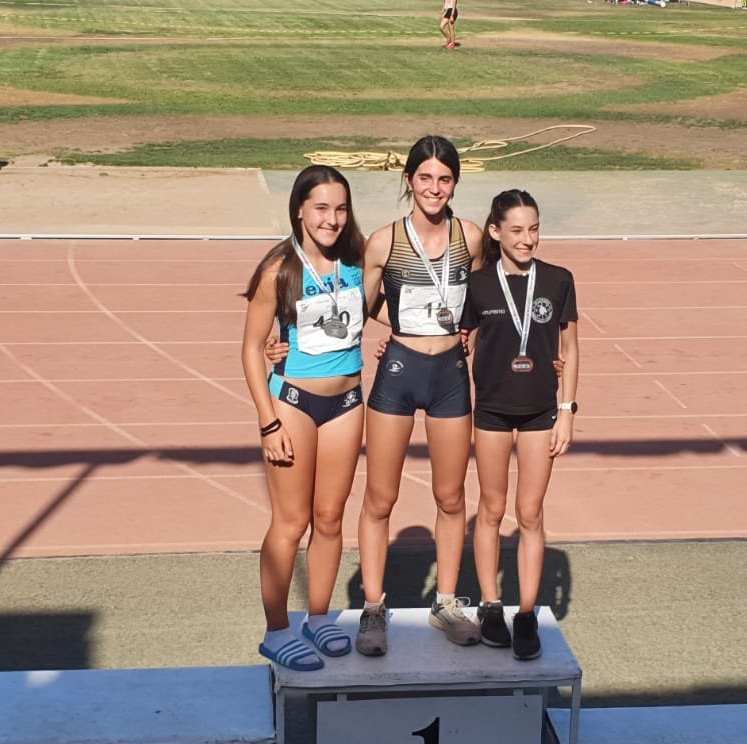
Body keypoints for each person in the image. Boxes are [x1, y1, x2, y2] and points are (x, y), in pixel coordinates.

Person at [359, 135, 486, 653]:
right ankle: (373, 608)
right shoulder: (383, 242)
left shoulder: (471, 236)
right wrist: (402, 323)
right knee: (380, 497)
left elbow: (480, 300)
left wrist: (468, 335)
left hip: (450, 377)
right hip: (399, 370)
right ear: (408, 179)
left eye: (445, 179)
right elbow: (361, 305)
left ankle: (447, 601)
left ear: (455, 183)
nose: (435, 188)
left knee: (452, 496)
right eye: (426, 177)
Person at [240, 165, 369, 671]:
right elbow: (252, 349)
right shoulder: (279, 269)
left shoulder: (358, 261)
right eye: (321, 208)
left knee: (331, 518)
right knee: (291, 523)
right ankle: (276, 629)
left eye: (340, 209)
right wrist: (268, 421)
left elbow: (385, 310)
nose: (331, 219)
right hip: (292, 403)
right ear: (298, 209)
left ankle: (318, 617)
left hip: (346, 403)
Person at [461, 190, 579, 662]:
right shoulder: (477, 285)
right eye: (516, 230)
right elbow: (457, 339)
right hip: (490, 408)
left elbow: (570, 349)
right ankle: (492, 606)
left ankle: (526, 612)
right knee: (490, 508)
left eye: (533, 229)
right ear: (495, 231)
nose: (527, 239)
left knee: (530, 512)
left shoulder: (558, 280)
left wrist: (568, 409)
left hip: (539, 411)